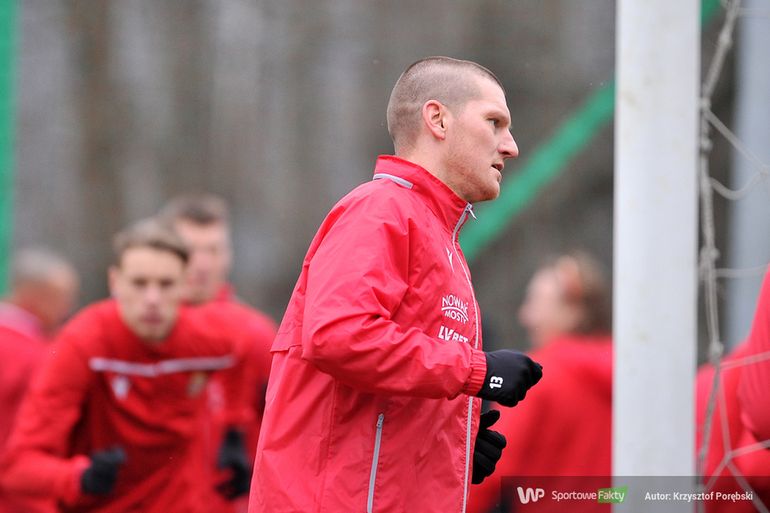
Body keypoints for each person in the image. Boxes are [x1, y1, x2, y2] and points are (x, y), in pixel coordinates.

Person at [248, 56, 543, 513]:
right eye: (494, 122)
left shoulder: (438, 235)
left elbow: (385, 393)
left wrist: (452, 443)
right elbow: (339, 336)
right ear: (437, 119)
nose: (511, 146)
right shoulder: (381, 209)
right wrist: (478, 371)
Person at [0, 219, 257, 513]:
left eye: (166, 284)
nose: (152, 299)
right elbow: (18, 466)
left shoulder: (214, 339)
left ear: (186, 284)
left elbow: (241, 359)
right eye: (139, 283)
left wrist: (234, 431)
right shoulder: (83, 343)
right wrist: (79, 477)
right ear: (115, 282)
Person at [468, 251, 613, 513]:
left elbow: (490, 474)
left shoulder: (536, 378)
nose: (525, 317)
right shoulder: (632, 375)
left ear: (573, 312)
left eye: (536, 304)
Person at [159, 194, 276, 512]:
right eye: (191, 250)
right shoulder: (132, 330)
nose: (203, 263)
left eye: (213, 250)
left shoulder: (255, 333)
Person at [0, 248, 78, 513]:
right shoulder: (36, 354)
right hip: (19, 497)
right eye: (62, 297)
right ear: (34, 294)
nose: (67, 308)